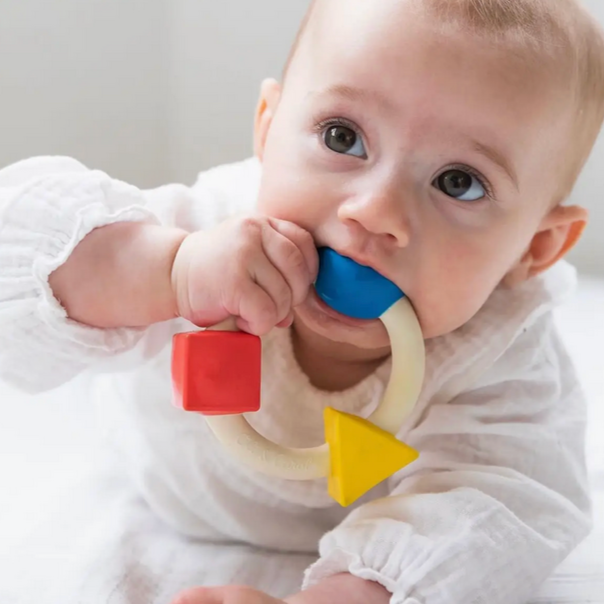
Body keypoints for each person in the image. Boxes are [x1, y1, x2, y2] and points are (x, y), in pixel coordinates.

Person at [1, 0, 603, 603]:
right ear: (268, 127)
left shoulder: (503, 355)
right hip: (158, 476)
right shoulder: (208, 234)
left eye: (458, 182)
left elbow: (497, 511)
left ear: (537, 246)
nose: (374, 212)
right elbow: (20, 256)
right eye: (343, 137)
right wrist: (166, 271)